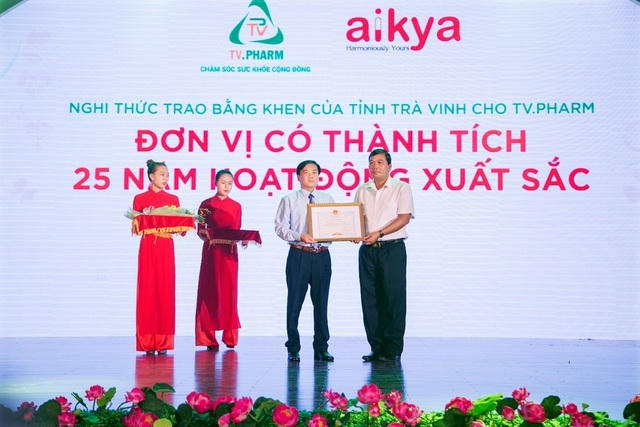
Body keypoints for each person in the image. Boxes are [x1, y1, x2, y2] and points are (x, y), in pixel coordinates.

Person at [354, 149, 414, 362]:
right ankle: (376, 348)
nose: (375, 166)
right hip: (368, 251)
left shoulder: (401, 188)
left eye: (380, 162)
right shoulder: (362, 189)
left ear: (389, 166)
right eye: (371, 162)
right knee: (370, 300)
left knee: (393, 299)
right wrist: (354, 233)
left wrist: (378, 233)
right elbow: (356, 217)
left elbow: (404, 218)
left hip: (392, 249)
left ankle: (393, 349)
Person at [274, 160, 335, 362]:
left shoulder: (328, 199)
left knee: (322, 304)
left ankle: (321, 348)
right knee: (294, 303)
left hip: (322, 255)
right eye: (306, 172)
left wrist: (348, 233)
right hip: (299, 255)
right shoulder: (289, 199)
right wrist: (300, 236)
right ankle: (293, 347)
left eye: (314, 172)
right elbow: (280, 228)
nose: (311, 176)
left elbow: (336, 225)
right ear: (298, 176)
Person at [132, 159, 180, 355]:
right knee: (147, 292)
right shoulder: (140, 199)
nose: (165, 178)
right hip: (148, 248)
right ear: (151, 176)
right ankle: (147, 342)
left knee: (165, 291)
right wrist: (144, 216)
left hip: (166, 247)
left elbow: (179, 228)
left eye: (167, 175)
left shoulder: (173, 199)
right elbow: (136, 227)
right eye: (162, 174)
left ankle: (163, 342)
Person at [195, 169, 244, 350]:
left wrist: (243, 238)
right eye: (223, 182)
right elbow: (200, 228)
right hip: (212, 252)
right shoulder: (206, 204)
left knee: (229, 294)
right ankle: (208, 338)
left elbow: (237, 230)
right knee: (210, 292)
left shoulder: (237, 206)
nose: (226, 186)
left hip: (229, 254)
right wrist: (207, 234)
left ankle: (230, 337)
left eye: (230, 183)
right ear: (215, 183)